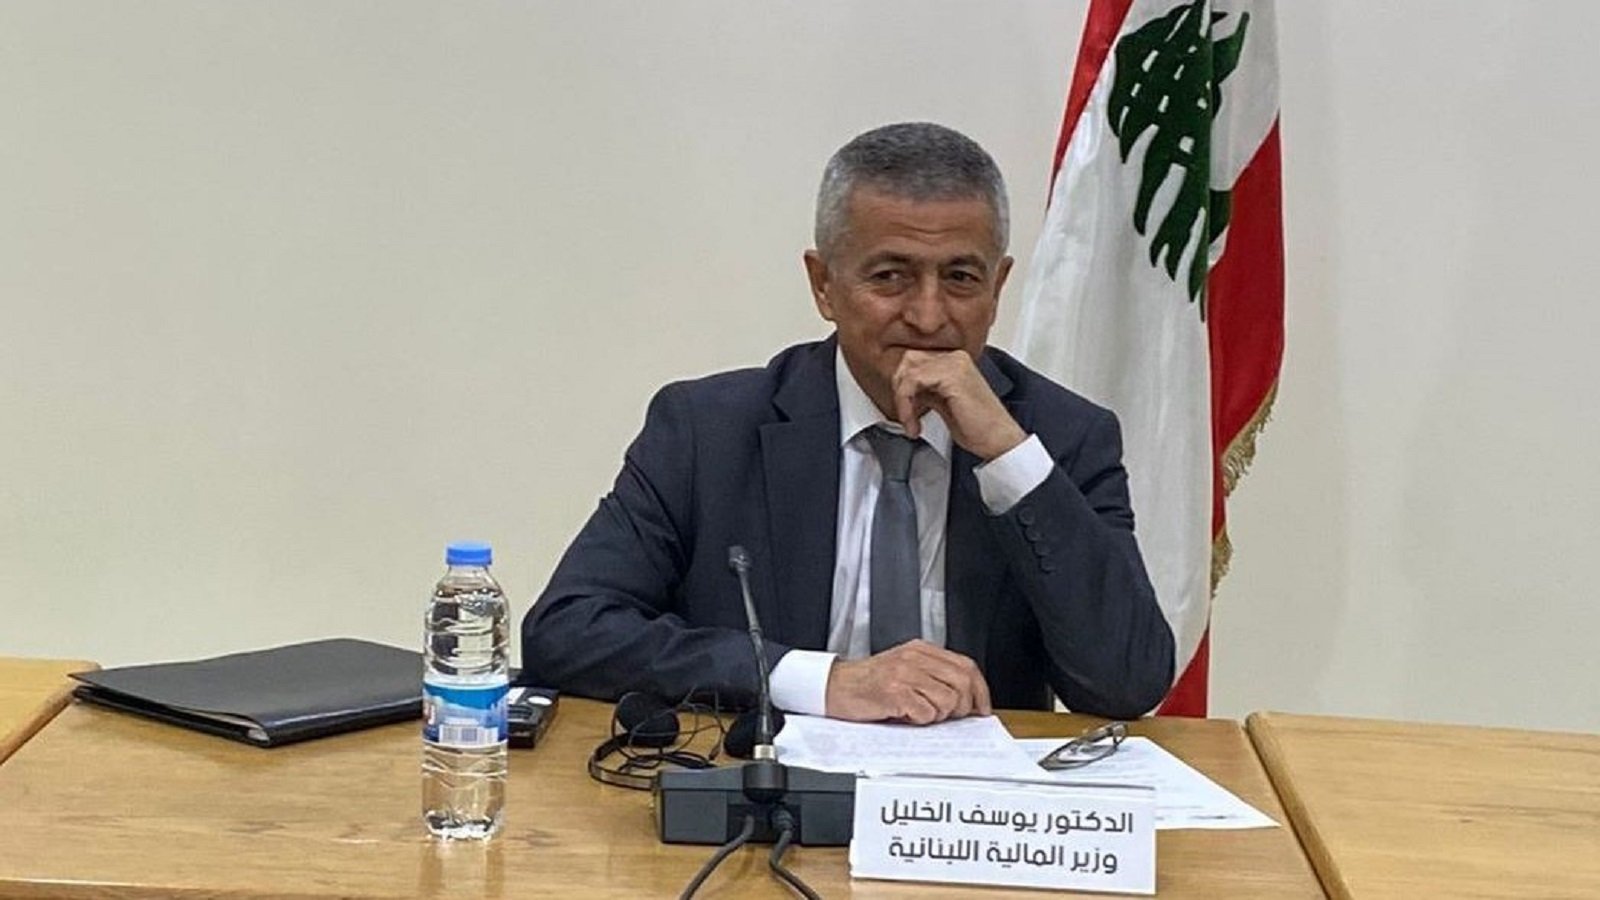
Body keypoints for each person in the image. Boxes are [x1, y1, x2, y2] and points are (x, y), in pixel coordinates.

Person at [521, 122, 1174, 724]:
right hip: (769, 788)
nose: (928, 316)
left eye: (960, 278)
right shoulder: (707, 431)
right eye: (890, 277)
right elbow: (568, 631)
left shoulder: (1060, 438)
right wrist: (818, 681)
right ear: (824, 285)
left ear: (998, 286)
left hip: (974, 799)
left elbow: (1127, 683)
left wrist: (1007, 457)